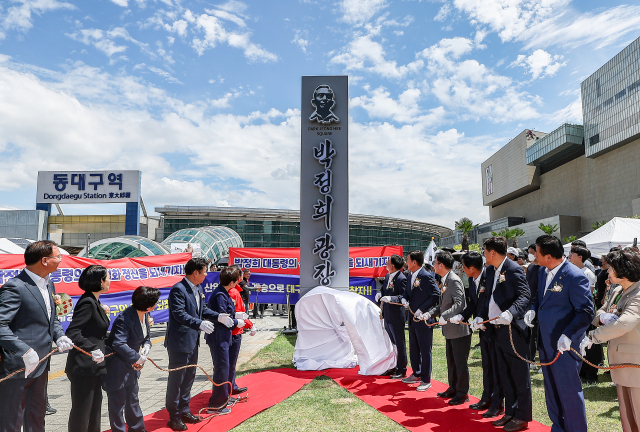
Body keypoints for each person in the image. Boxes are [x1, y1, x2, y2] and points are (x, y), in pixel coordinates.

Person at [0, 240, 74, 432]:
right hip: (19, 365)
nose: (60, 260)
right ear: (44, 260)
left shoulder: (49, 285)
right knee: (12, 420)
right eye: (58, 256)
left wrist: (59, 336)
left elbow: (52, 319)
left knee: (36, 416)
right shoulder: (16, 287)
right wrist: (24, 350)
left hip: (41, 363)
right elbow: (0, 325)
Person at [526, 235, 593, 432]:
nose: (534, 256)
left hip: (565, 345)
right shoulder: (541, 271)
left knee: (569, 391)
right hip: (546, 342)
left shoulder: (574, 275)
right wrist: (532, 308)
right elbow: (539, 296)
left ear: (548, 256)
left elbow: (586, 312)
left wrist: (569, 334)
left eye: (536, 253)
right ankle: (558, 427)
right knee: (552, 390)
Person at [164, 257, 234, 432]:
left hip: (192, 341)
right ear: (195, 273)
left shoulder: (198, 288)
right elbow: (179, 314)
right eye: (204, 272)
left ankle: (185, 410)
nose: (206, 275)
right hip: (179, 342)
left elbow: (201, 310)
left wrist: (218, 316)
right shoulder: (178, 290)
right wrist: (199, 323)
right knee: (177, 380)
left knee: (189, 377)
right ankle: (174, 416)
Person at [474, 236, 531, 432]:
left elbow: (525, 296)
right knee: (504, 373)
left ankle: (522, 416)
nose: (483, 254)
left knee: (518, 374)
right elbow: (486, 297)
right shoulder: (490, 270)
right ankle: (510, 412)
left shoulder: (514, 269)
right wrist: (480, 316)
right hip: (495, 329)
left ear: (492, 253)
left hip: (512, 329)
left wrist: (511, 313)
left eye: (484, 251)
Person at [582, 248, 640, 432]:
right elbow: (599, 310)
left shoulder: (638, 293)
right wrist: (603, 318)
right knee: (626, 415)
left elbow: (624, 323)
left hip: (635, 364)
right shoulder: (617, 290)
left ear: (624, 270)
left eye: (612, 267)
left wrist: (593, 336)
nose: (607, 271)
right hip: (620, 363)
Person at [453, 251, 504, 417]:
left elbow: (492, 301)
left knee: (496, 367)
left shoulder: (489, 276)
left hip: (494, 325)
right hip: (481, 327)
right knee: (487, 365)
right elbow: (474, 303)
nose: (462, 270)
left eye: (464, 267)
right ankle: (486, 398)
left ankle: (497, 403)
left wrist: (484, 318)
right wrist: (462, 316)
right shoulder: (470, 279)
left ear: (472, 267)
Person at [103, 286, 160, 432]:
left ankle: (137, 429)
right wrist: (136, 357)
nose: (157, 305)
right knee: (117, 404)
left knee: (133, 400)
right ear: (147, 305)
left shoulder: (144, 314)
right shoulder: (125, 318)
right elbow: (118, 343)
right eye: (155, 302)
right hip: (117, 366)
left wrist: (147, 344)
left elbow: (146, 335)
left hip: (131, 367)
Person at [65, 265, 111, 432]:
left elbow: (96, 333)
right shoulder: (87, 302)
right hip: (83, 366)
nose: (109, 281)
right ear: (100, 281)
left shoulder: (95, 301)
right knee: (82, 411)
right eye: (107, 277)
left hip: (95, 366)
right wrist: (91, 348)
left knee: (94, 410)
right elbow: (72, 332)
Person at [400, 250, 441, 392]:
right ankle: (416, 373)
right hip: (412, 318)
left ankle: (426, 379)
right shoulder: (409, 275)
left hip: (423, 319)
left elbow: (436, 294)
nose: (406, 262)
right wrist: (405, 298)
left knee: (425, 349)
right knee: (414, 348)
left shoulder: (426, 276)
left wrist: (423, 309)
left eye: (408, 260)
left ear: (415, 263)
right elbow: (407, 292)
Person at [434, 251, 471, 405]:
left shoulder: (454, 280)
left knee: (460, 363)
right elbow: (442, 305)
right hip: (449, 330)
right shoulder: (446, 279)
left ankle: (462, 393)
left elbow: (460, 304)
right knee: (451, 362)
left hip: (459, 331)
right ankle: (453, 388)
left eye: (435, 263)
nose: (433, 265)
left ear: (441, 265)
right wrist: (429, 313)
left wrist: (446, 315)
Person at [206, 266, 244, 414]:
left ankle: (225, 396)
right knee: (221, 370)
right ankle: (216, 404)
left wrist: (238, 318)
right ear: (233, 282)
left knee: (226, 368)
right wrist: (236, 322)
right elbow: (223, 318)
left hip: (224, 336)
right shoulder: (220, 295)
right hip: (218, 337)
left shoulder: (224, 292)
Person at [568, 245, 603, 384]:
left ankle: (591, 374)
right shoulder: (571, 270)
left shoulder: (587, 272)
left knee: (589, 344)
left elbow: (588, 295)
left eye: (572, 253)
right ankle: (582, 371)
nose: (569, 255)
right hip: (574, 312)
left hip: (585, 312)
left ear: (580, 257)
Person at [378, 254, 408, 379]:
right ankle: (392, 365)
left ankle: (402, 368)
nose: (386, 263)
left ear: (393, 266)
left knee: (399, 343)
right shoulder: (387, 276)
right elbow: (384, 289)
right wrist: (380, 293)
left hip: (396, 315)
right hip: (387, 314)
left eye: (388, 261)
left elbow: (404, 296)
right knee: (391, 344)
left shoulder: (401, 278)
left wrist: (391, 298)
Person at [227, 267, 255, 396]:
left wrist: (249, 324)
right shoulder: (233, 292)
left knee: (232, 363)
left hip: (236, 330)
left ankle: (232, 386)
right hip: (233, 332)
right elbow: (237, 314)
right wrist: (249, 324)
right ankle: (228, 388)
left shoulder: (236, 291)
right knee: (229, 363)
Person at [526, 244, 540, 364]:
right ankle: (530, 359)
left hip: (540, 305)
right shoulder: (530, 267)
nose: (530, 255)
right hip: (530, 304)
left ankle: (541, 359)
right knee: (531, 334)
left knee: (538, 334)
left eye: (532, 252)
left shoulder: (543, 268)